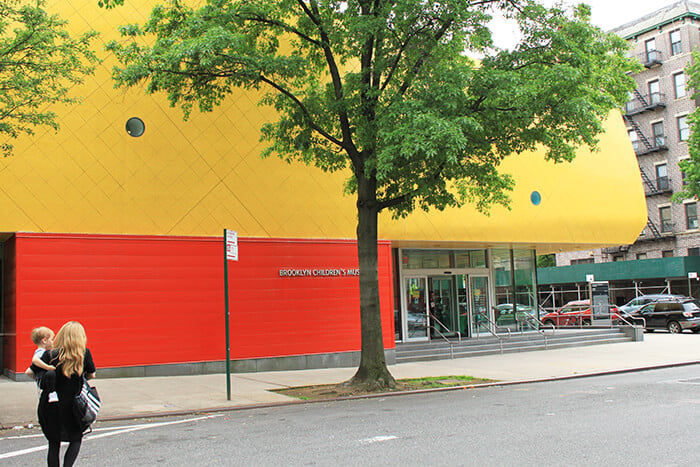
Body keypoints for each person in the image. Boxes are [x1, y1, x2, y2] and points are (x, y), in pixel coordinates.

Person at [38, 321, 96, 467]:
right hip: (73, 406)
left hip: (50, 403)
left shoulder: (50, 354)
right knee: (76, 439)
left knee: (53, 442)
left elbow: (36, 374)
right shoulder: (83, 353)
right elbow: (91, 375)